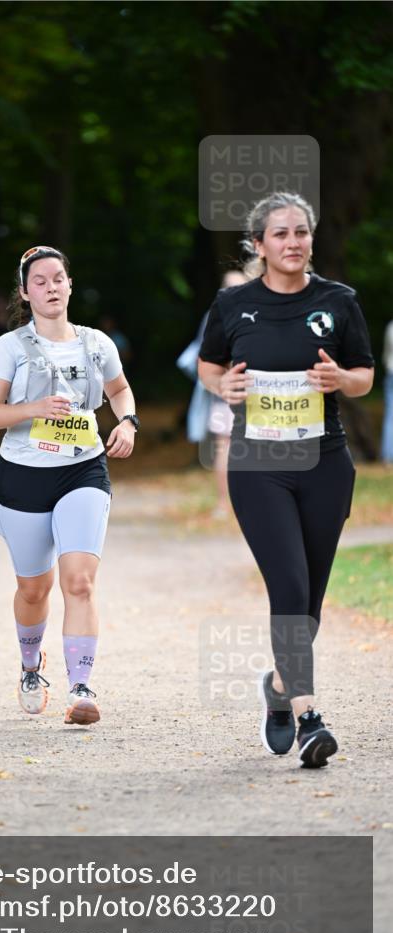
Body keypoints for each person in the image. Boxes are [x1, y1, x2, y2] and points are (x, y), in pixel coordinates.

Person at [198, 192, 374, 768]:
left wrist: (338, 378)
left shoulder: (339, 302)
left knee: (312, 606)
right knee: (290, 591)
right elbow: (209, 365)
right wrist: (222, 387)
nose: (293, 242)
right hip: (259, 466)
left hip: (325, 464)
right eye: (280, 234)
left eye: (301, 232)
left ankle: (276, 687)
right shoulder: (233, 304)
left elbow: (365, 377)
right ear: (259, 245)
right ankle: (308, 714)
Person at [0, 246, 137, 725]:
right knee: (33, 589)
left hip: (82, 469)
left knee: (80, 581)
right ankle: (31, 666)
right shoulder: (8, 348)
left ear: (70, 285)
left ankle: (81, 688)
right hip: (23, 475)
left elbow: (118, 390)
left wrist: (127, 422)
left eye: (58, 279)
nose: (51, 287)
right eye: (40, 281)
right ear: (25, 293)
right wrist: (33, 409)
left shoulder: (96, 344)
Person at [177, 270, 247, 517]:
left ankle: (225, 505)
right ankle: (227, 504)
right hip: (232, 395)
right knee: (228, 448)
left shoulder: (214, 315)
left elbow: (200, 356)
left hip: (231, 394)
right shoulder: (256, 313)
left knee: (226, 448)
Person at [380, 319, 393, 463]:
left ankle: (388, 455)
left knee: (390, 416)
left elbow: (386, 355)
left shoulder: (390, 326)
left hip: (391, 373)